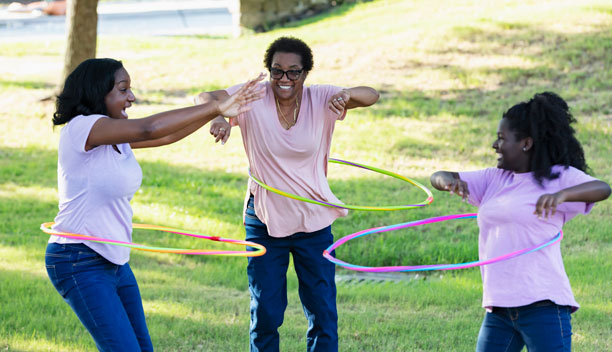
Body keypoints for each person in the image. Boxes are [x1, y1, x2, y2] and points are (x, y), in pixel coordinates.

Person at [45, 58, 264, 352]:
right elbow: (149, 128)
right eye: (123, 90)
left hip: (115, 260)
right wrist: (216, 107)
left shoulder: (116, 135)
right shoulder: (82, 129)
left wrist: (219, 113)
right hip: (78, 259)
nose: (132, 97)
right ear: (99, 93)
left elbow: (166, 134)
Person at [195, 36, 379, 352]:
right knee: (266, 309)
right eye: (277, 71)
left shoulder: (322, 98)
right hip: (265, 218)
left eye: (293, 72)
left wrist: (346, 95)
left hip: (314, 220)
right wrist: (217, 117)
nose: (284, 79)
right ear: (269, 71)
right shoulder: (252, 95)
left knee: (322, 309)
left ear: (305, 74)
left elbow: (372, 95)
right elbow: (204, 96)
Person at [430, 92, 611, 352]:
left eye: (502, 139)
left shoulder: (557, 177)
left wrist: (562, 195)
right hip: (500, 309)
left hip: (543, 305)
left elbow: (602, 188)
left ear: (526, 143)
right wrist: (447, 181)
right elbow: (438, 176)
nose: (494, 145)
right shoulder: (493, 179)